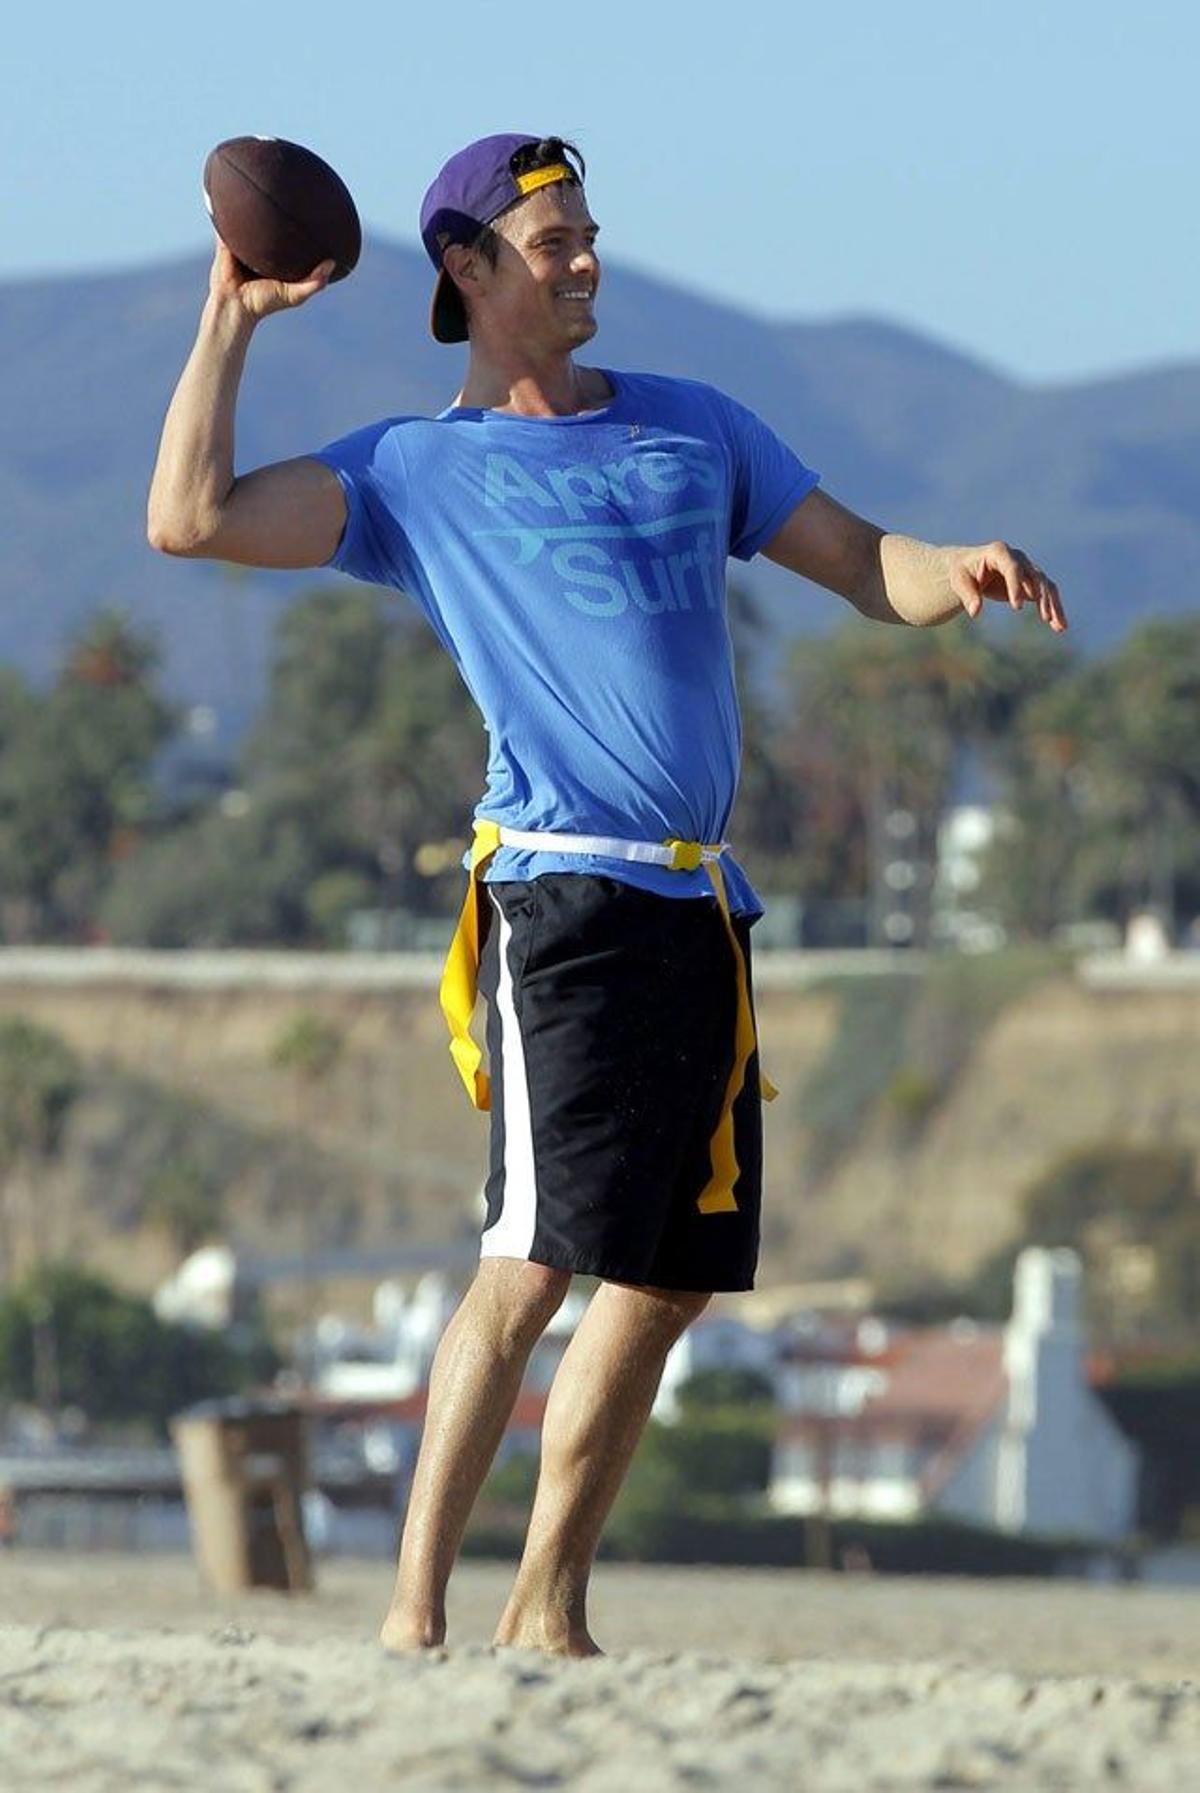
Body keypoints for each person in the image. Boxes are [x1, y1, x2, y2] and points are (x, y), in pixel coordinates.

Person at [148, 132, 1067, 1656]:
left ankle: (546, 1603)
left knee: (668, 1278)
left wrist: (952, 564)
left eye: (588, 235)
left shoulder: (694, 430)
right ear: (469, 268)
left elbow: (857, 560)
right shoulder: (412, 471)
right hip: (560, 900)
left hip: (704, 909)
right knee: (534, 1260)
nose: (585, 260)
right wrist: (230, 318)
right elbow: (190, 517)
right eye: (553, 239)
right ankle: (413, 1614)